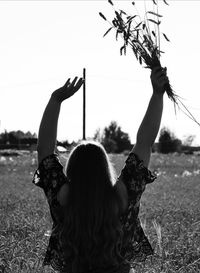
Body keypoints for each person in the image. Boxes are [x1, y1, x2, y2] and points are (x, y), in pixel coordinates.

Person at [32, 67, 168, 273]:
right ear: (105, 167)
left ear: (73, 168)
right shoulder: (122, 196)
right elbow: (145, 143)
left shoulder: (63, 196)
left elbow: (44, 150)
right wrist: (158, 94)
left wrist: (55, 100)